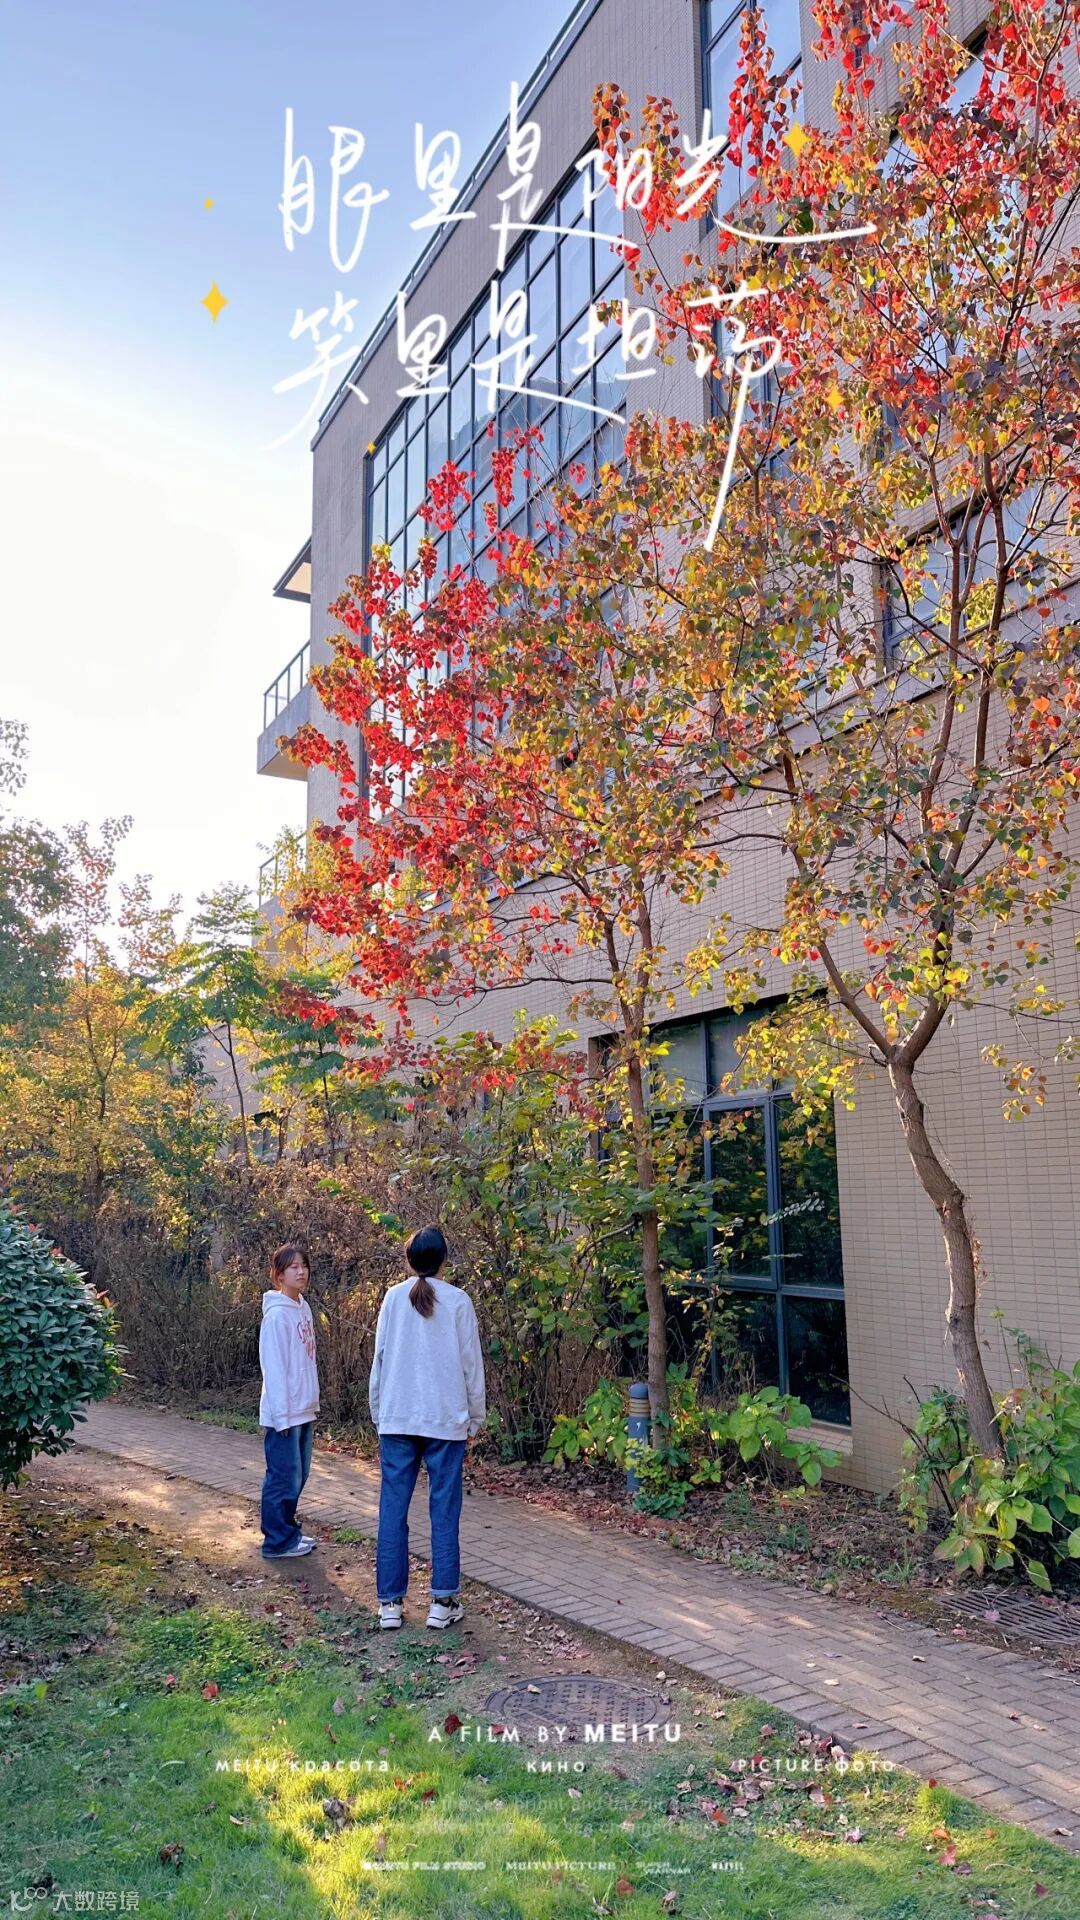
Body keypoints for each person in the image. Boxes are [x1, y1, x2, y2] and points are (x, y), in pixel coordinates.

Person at [369, 1225, 486, 1631]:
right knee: (444, 1509)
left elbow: (380, 1359)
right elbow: (471, 1365)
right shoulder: (458, 1301)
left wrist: (379, 1411)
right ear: (444, 1260)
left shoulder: (392, 1298)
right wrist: (476, 1417)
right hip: (445, 1420)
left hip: (397, 1417)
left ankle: (389, 1605)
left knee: (392, 1509)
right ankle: (442, 1602)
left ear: (409, 1260)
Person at [259, 1242, 320, 1559]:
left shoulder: (303, 1308)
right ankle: (276, 1541)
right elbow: (274, 1369)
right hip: (283, 1414)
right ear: (278, 1274)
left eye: (304, 1265)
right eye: (293, 1267)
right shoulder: (276, 1317)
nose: (301, 1271)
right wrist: (281, 1416)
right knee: (282, 1478)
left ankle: (288, 1532)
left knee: (299, 1476)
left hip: (303, 1408)